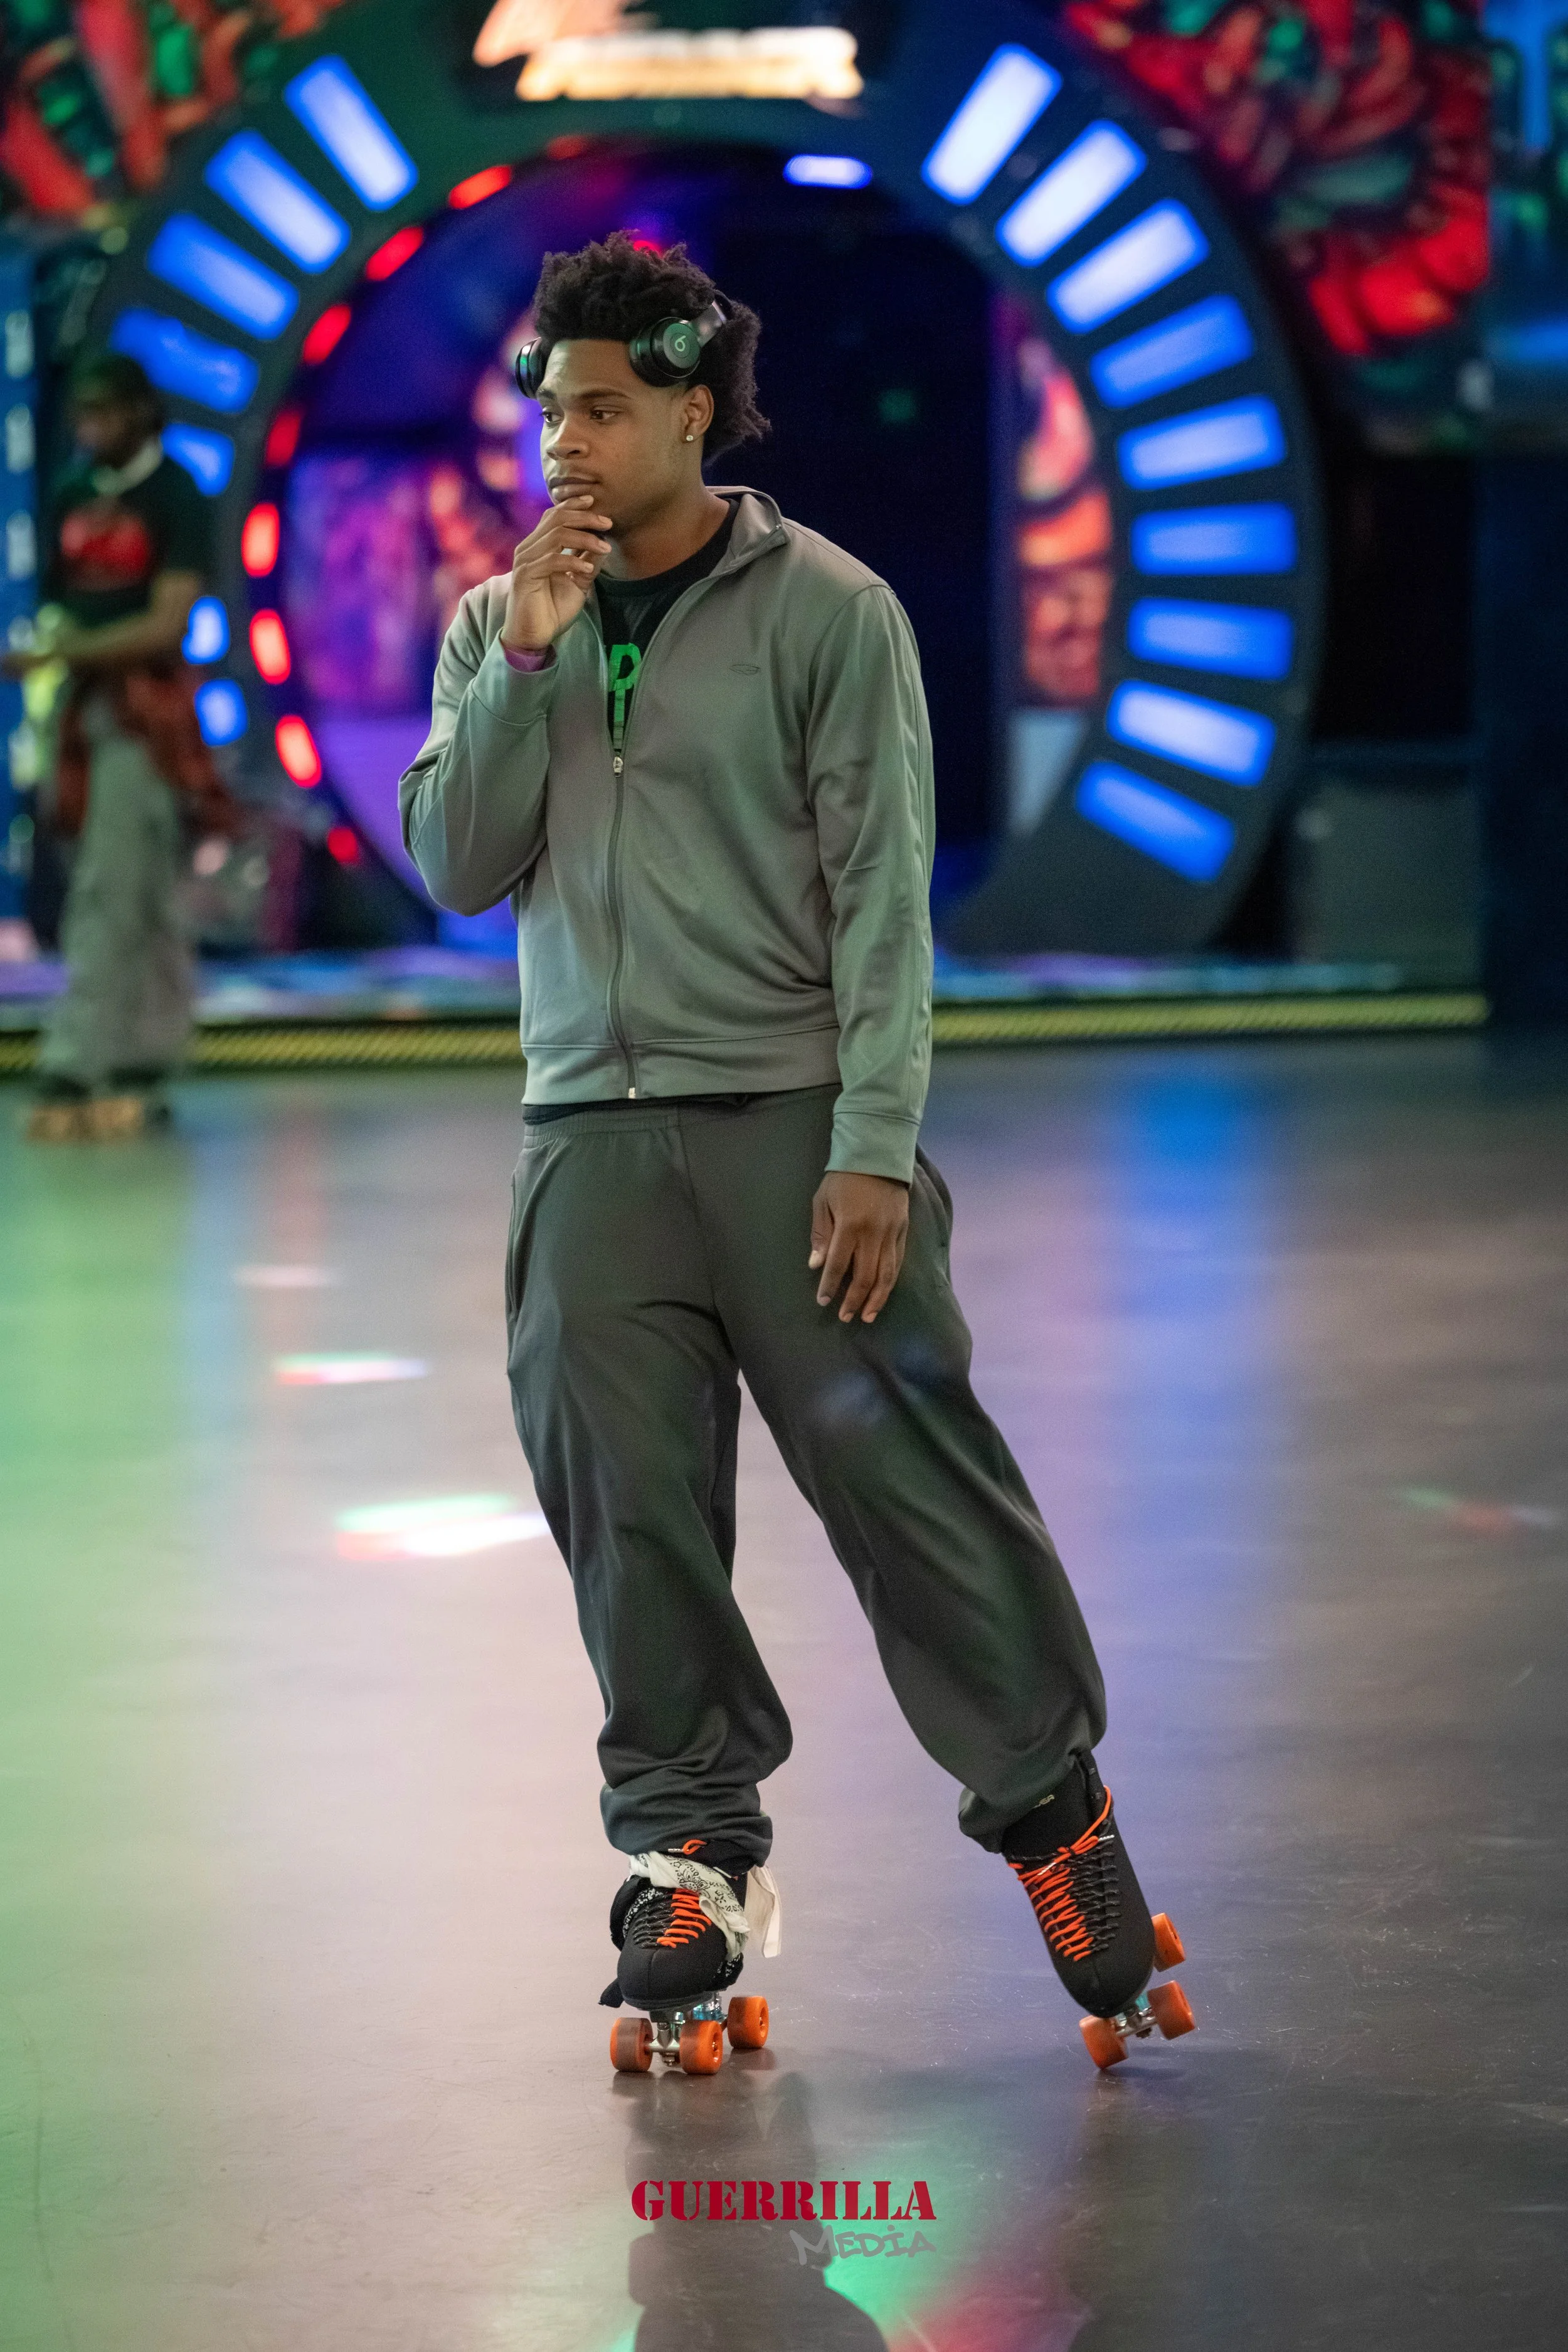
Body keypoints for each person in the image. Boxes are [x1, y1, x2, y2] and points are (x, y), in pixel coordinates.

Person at [400, 234, 1190, 2061]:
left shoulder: (831, 610)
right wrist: (524, 657)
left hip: (792, 1128)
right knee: (627, 1516)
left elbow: (882, 901)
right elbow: (454, 861)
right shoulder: (499, 622)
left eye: (606, 408)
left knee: (911, 1492)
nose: (567, 442)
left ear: (694, 408)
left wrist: (873, 1143)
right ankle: (687, 1859)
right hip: (586, 1140)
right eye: (551, 411)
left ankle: (1053, 1811)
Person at [7, 352, 226, 1142]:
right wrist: (57, 658)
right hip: (80, 714)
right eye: (83, 413)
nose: (89, 427)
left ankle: (80, 1056)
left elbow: (168, 624)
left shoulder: (176, 494)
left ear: (139, 412)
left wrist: (60, 654)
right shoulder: (73, 491)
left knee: (113, 883)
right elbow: (64, 607)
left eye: (103, 412)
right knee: (135, 886)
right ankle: (148, 1054)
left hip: (148, 715)